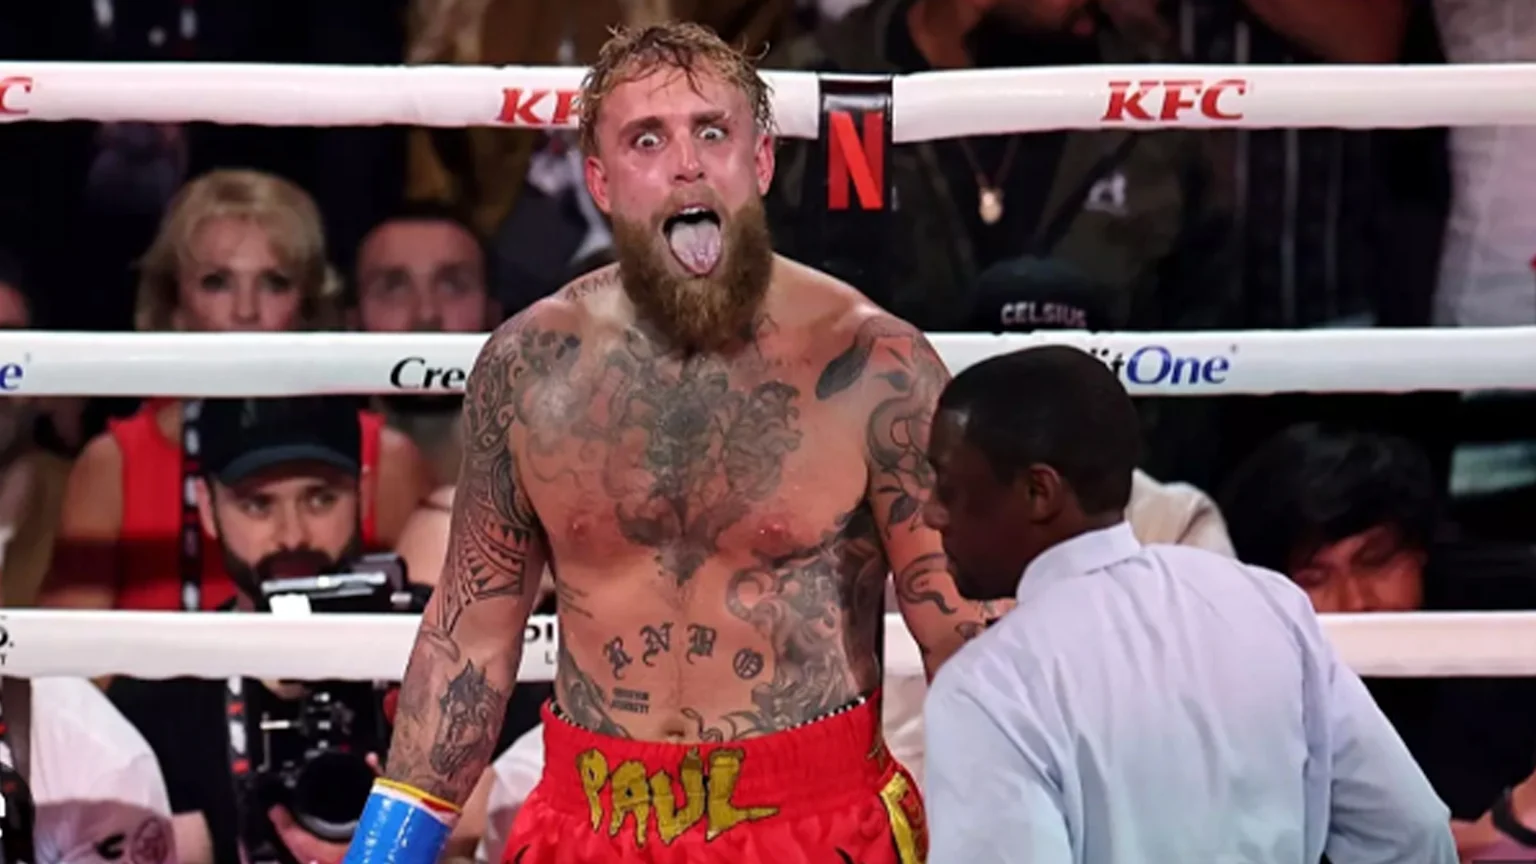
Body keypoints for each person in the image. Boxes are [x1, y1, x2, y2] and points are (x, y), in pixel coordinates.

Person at [345, 21, 988, 864]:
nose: (687, 163)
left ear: (759, 163)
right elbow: (470, 636)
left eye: (711, 132)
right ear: (602, 182)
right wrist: (383, 852)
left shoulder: (874, 363)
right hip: (591, 825)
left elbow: (960, 634)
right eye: (649, 139)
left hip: (813, 822)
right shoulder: (530, 368)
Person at [919, 345, 1455, 863]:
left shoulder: (991, 687)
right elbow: (1411, 831)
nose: (932, 514)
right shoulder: (1266, 604)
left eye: (948, 486)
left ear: (1040, 492)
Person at [104, 396, 483, 864]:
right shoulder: (159, 689)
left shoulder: (447, 655)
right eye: (258, 504)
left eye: (321, 498)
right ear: (207, 505)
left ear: (362, 493)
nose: (292, 535)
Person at [41, 169, 433, 614]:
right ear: (174, 307)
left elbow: (421, 647)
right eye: (217, 282)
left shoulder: (386, 457)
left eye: (275, 283)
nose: (246, 312)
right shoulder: (114, 465)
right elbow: (68, 671)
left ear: (308, 307)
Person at [1220, 423, 1536, 859]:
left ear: (1421, 549)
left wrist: (1515, 823)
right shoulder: (1243, 681)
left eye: (1376, 562)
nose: (1355, 601)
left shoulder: (1510, 611)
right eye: (1314, 578)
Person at [353, 202, 501, 486]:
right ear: (352, 317)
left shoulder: (549, 468)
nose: (426, 314)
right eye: (393, 287)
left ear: (494, 312)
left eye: (453, 285)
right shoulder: (313, 472)